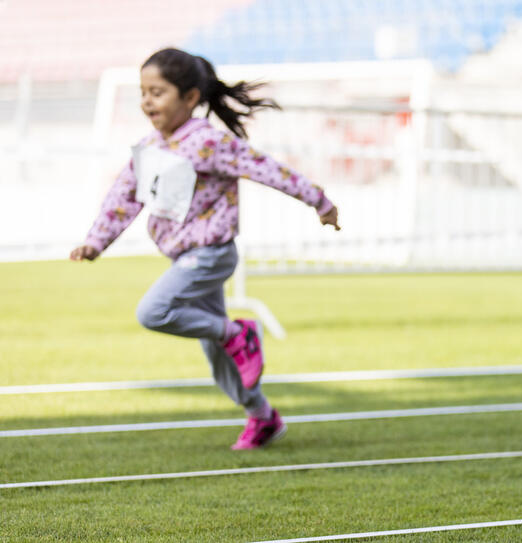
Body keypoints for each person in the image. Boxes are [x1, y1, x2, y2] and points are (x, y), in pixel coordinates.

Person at [70, 48, 340, 450]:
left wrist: (318, 200)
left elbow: (266, 169)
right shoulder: (149, 148)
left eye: (157, 92)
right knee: (220, 358)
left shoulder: (208, 143)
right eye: (143, 92)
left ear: (190, 98)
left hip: (211, 254)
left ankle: (239, 333)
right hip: (186, 258)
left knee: (154, 311)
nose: (147, 102)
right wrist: (96, 241)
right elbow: (122, 197)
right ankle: (263, 416)